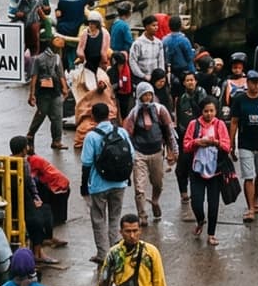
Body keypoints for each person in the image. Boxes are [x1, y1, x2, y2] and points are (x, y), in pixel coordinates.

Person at [80, 101, 132, 258]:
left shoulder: (91, 136)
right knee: (115, 218)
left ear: (93, 117)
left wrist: (84, 186)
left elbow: (87, 163)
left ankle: (103, 255)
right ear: (109, 114)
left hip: (98, 185)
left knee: (98, 220)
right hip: (120, 183)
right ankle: (116, 252)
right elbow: (132, 155)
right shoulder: (121, 132)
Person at [123, 81, 178, 224]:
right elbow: (127, 135)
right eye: (144, 95)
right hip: (139, 153)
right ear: (139, 97)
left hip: (157, 152)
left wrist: (173, 150)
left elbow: (169, 131)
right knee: (139, 188)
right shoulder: (134, 113)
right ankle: (142, 215)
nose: (147, 98)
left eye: (149, 95)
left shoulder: (160, 110)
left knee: (157, 183)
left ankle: (154, 201)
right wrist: (129, 153)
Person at [181, 96, 232, 244]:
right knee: (196, 201)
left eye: (211, 111)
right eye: (206, 111)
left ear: (216, 111)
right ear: (201, 111)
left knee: (213, 203)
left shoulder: (220, 125)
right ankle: (200, 219)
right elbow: (186, 145)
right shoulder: (193, 124)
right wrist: (197, 142)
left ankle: (211, 233)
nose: (209, 114)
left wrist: (215, 142)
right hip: (197, 169)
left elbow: (226, 145)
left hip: (215, 170)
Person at [229, 69, 258, 223]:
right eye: (254, 83)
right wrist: (231, 144)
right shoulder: (239, 100)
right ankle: (250, 208)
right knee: (249, 176)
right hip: (245, 143)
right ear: (247, 83)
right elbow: (234, 122)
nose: (257, 86)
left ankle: (255, 198)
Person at [27, 36, 68, 150]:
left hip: (55, 91)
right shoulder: (39, 59)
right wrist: (32, 94)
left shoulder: (57, 58)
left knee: (57, 116)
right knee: (41, 114)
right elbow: (34, 77)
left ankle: (56, 140)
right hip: (43, 92)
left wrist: (64, 88)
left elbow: (61, 74)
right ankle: (30, 135)